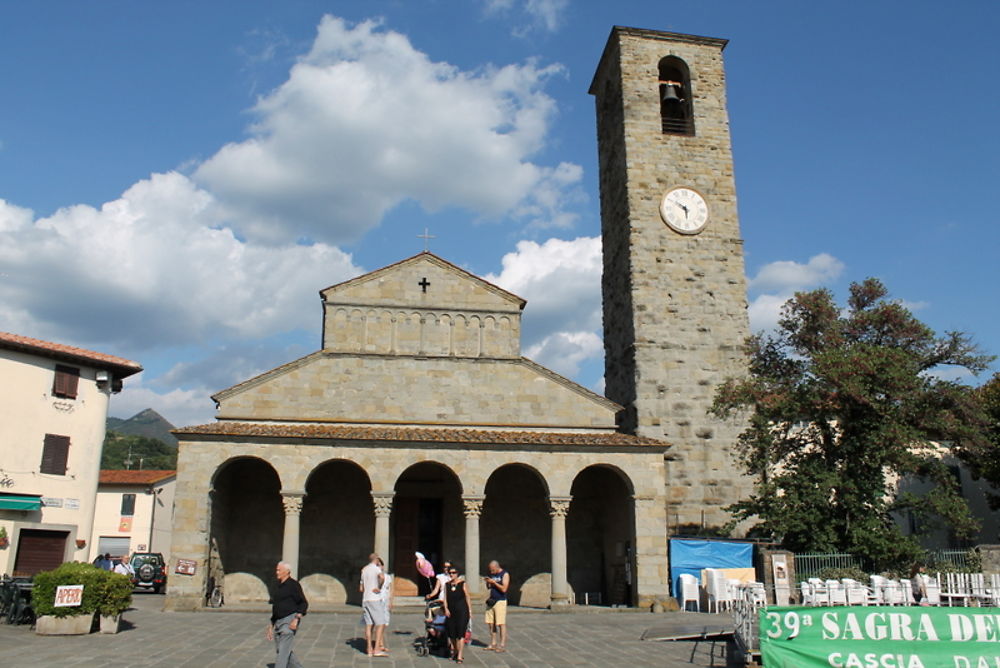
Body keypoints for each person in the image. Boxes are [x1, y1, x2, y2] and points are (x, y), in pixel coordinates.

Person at [265, 561, 308, 668]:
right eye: (276, 570)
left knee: (282, 655)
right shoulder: (278, 586)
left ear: (287, 571)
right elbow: (276, 607)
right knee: (282, 650)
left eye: (279, 570)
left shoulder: (294, 585)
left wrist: (296, 619)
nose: (276, 572)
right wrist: (271, 625)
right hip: (278, 621)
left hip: (289, 621)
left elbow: (303, 603)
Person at [360, 553, 387, 657]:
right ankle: (376, 649)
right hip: (374, 599)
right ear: (376, 560)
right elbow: (382, 577)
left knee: (369, 624)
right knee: (380, 623)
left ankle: (369, 649)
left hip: (365, 599)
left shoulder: (364, 569)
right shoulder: (375, 569)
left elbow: (361, 588)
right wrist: (379, 587)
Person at [442, 564, 471, 664]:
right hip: (451, 611)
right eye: (450, 573)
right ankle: (454, 651)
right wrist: (445, 609)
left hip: (462, 611)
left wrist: (470, 611)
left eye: (453, 573)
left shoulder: (462, 584)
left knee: (461, 634)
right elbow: (445, 598)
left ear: (457, 574)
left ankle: (460, 655)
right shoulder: (447, 585)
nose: (451, 575)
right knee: (452, 634)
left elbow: (467, 597)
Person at [483, 560, 510, 652]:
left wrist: (494, 583)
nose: (491, 572)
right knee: (490, 623)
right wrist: (488, 582)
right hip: (492, 600)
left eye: (493, 570)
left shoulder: (504, 574)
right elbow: (489, 587)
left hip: (500, 601)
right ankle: (493, 643)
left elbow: (504, 589)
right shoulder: (491, 575)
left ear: (497, 567)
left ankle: (502, 645)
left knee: (501, 623)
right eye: (490, 570)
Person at [376, 557, 393, 654]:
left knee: (385, 623)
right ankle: (379, 644)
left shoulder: (388, 577)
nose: (379, 567)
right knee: (378, 623)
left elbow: (390, 590)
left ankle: (380, 643)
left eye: (380, 565)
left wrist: (391, 602)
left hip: (385, 601)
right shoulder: (374, 577)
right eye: (377, 565)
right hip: (377, 600)